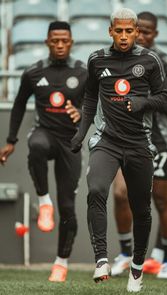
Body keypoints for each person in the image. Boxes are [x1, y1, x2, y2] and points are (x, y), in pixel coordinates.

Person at [71, 7, 167, 292]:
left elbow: (166, 100)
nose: (125, 36)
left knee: (141, 210)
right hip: (107, 141)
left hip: (140, 142)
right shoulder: (97, 60)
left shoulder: (150, 60)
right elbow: (90, 98)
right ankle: (101, 259)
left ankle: (137, 267)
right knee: (96, 190)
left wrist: (144, 103)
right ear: (111, 31)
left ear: (137, 32)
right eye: (120, 31)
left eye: (130, 31)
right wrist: (81, 134)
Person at [0, 21, 87, 282]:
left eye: (65, 41)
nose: (60, 45)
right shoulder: (34, 72)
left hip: (71, 142)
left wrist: (82, 113)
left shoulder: (83, 72)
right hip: (45, 133)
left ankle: (61, 262)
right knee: (35, 144)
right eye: (55, 40)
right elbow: (17, 105)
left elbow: (96, 105)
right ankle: (44, 201)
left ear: (71, 42)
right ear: (47, 42)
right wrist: (11, 140)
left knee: (69, 208)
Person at [111, 11, 167, 279]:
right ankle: (126, 254)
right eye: (140, 30)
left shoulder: (165, 61)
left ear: (156, 34)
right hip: (126, 136)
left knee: (161, 200)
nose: (143, 35)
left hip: (160, 139)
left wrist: (142, 101)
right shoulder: (121, 58)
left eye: (149, 31)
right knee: (119, 194)